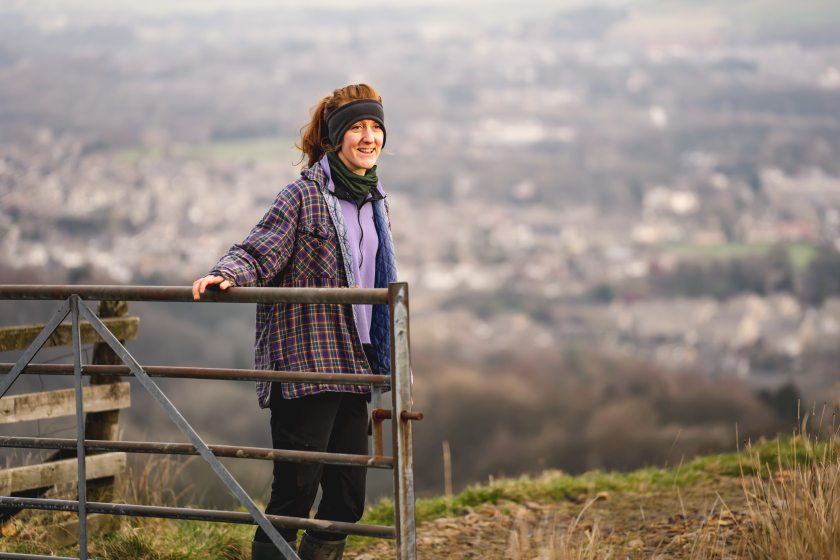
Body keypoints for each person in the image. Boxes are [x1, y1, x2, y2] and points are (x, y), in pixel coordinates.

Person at [192, 83, 397, 560]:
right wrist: (225, 274)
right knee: (295, 494)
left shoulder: (377, 202)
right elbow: (257, 250)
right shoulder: (302, 196)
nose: (369, 138)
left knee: (347, 498)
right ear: (334, 137)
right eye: (357, 128)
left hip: (355, 363)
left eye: (376, 127)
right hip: (305, 362)